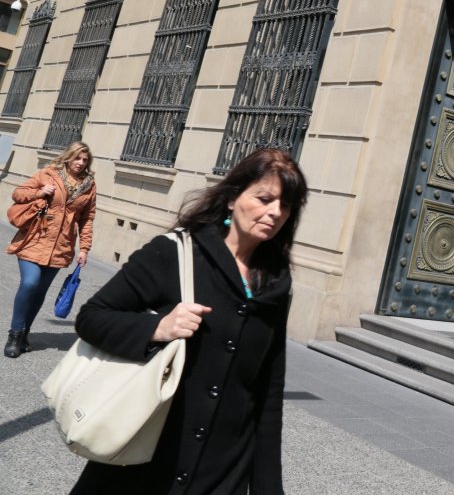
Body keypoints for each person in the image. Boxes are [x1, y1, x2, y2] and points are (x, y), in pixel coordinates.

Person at [70, 148, 307, 495]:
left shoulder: (275, 282)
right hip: (145, 457)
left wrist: (269, 487)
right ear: (231, 198)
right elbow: (91, 318)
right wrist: (157, 328)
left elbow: (268, 389)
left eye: (285, 205)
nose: (274, 212)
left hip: (223, 470)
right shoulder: (175, 253)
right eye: (264, 198)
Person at [5, 141, 96, 358]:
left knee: (40, 292)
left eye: (85, 160)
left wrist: (84, 248)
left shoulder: (89, 185)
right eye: (77, 158)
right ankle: (14, 334)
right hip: (35, 238)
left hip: (62, 245)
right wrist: (39, 193)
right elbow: (18, 194)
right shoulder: (48, 174)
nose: (81, 163)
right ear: (69, 157)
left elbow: (87, 219)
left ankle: (25, 333)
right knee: (29, 283)